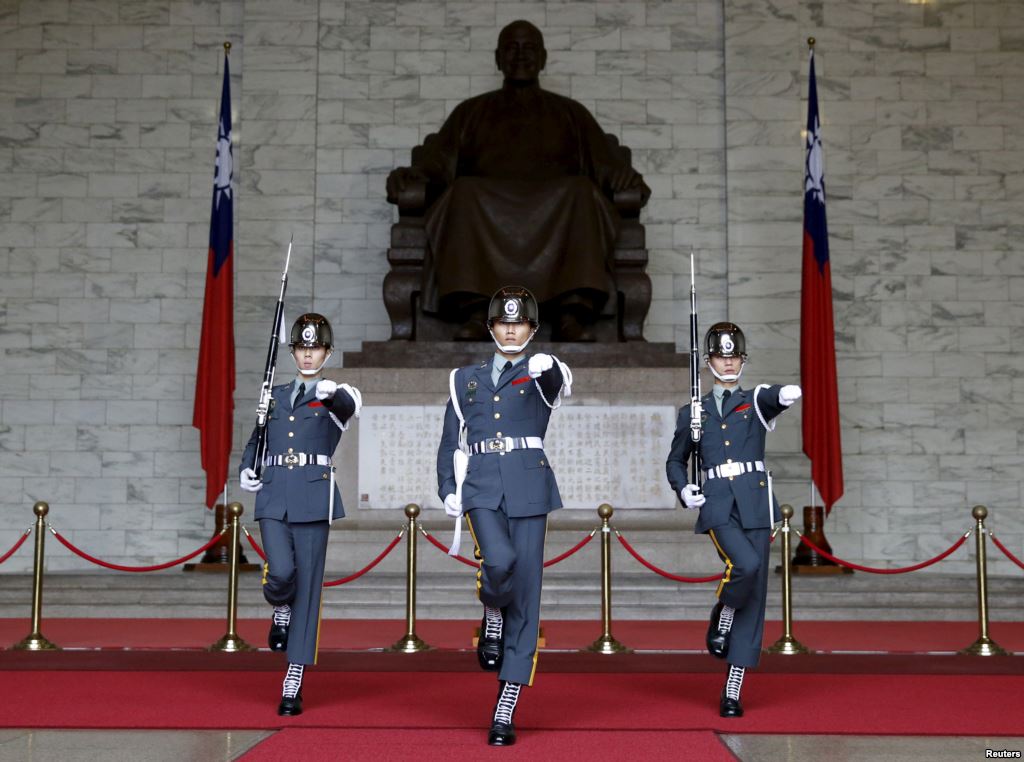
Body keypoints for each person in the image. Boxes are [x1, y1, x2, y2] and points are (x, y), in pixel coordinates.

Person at [387, 20, 650, 342]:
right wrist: (414, 175)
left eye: (529, 49)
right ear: (498, 59)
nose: (521, 55)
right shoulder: (471, 112)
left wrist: (621, 176)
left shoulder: (571, 113)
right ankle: (476, 310)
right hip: (483, 206)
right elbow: (439, 165)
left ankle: (571, 312)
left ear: (543, 58)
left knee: (581, 190)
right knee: (464, 190)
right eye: (512, 48)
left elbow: (604, 165)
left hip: (560, 207)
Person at [436, 285, 572, 745]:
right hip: (481, 486)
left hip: (530, 487)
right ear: (491, 327)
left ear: (532, 329)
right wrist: (446, 488)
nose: (511, 329)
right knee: (497, 563)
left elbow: (556, 384)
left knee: (527, 592)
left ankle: (505, 704)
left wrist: (547, 369)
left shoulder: (543, 371)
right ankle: (492, 606)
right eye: (503, 322)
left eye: (520, 323)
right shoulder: (463, 379)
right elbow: (449, 439)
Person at [665, 322, 801, 718]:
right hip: (719, 503)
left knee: (755, 594)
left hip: (756, 503)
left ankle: (733, 685)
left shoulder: (753, 401)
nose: (729, 362)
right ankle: (723, 611)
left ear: (743, 360)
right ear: (708, 362)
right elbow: (677, 460)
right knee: (747, 564)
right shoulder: (693, 411)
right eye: (721, 356)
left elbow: (772, 396)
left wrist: (787, 394)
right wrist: (682, 487)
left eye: (735, 355)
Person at [239, 313, 362, 716]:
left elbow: (348, 408)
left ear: (327, 352)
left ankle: (294, 677)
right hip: (274, 493)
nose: (308, 355)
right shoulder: (273, 394)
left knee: (307, 589)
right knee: (281, 573)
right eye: (302, 348)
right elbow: (258, 438)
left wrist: (332, 395)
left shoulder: (334, 394)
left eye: (316, 349)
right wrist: (247, 466)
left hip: (312, 495)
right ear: (293, 351)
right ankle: (279, 605)